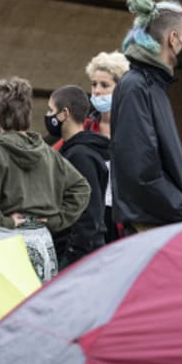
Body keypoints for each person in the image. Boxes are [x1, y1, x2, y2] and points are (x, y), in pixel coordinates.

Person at [0, 77, 90, 281]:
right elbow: (81, 188)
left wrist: (4, 222)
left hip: (10, 241)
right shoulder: (46, 151)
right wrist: (57, 220)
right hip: (43, 242)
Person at [111, 0, 182, 234]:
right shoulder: (137, 86)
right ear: (173, 39)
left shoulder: (153, 86)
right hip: (153, 227)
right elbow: (140, 168)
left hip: (162, 224)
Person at [48, 85, 110, 268]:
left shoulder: (80, 156)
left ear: (64, 113)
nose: (48, 116)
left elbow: (89, 213)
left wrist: (72, 257)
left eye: (51, 110)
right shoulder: (70, 151)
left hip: (81, 259)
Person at [86, 51, 130, 244]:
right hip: (91, 217)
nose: (97, 90)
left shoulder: (132, 129)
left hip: (124, 218)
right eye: (94, 84)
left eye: (105, 85)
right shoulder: (85, 128)